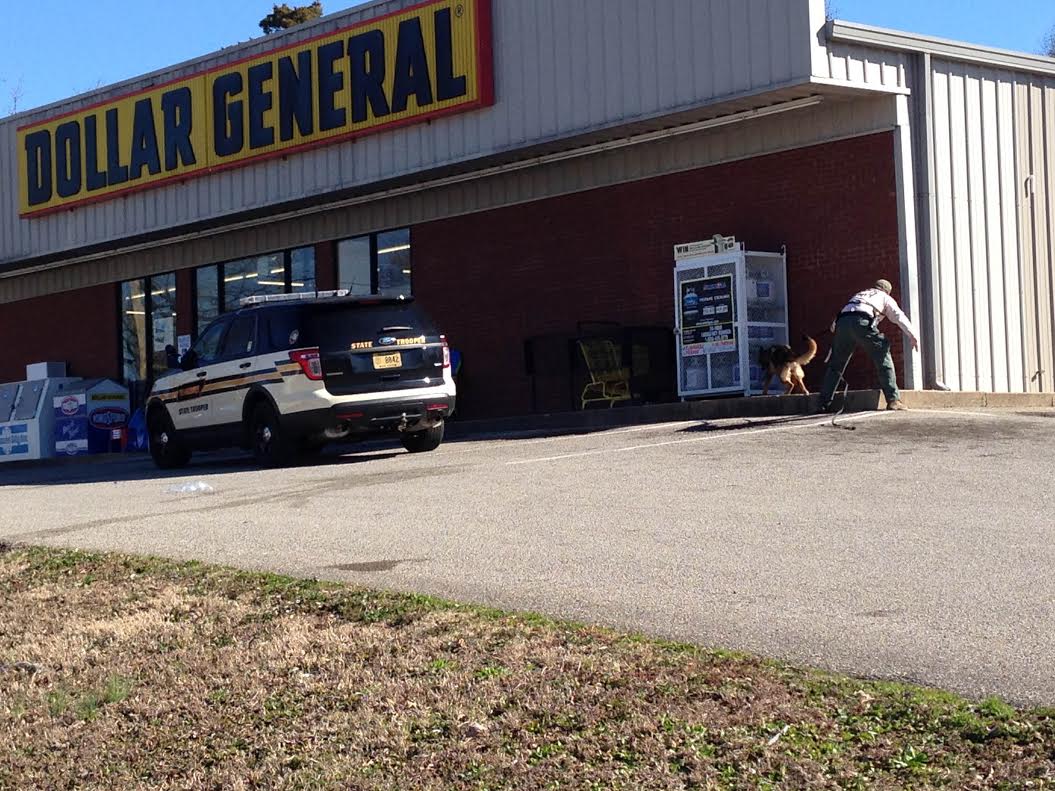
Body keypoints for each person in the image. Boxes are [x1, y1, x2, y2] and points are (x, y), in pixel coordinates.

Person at [819, 279, 920, 412]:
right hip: (862, 321)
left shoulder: (861, 294)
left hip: (842, 322)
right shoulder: (885, 297)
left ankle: (823, 403)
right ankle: (893, 400)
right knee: (882, 352)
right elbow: (898, 316)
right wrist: (912, 335)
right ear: (887, 291)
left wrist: (837, 329)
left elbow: (836, 323)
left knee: (836, 364)